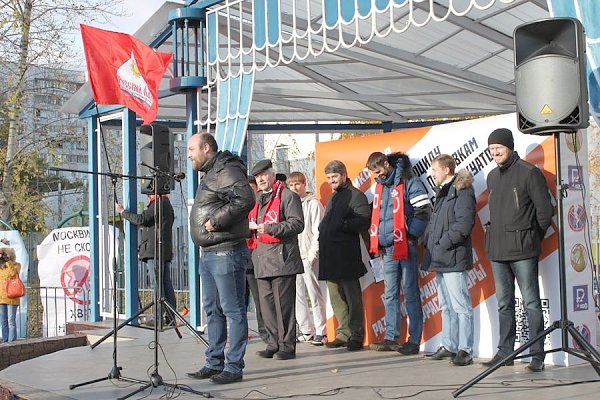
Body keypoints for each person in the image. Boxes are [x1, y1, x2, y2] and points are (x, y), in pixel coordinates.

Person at [185, 133, 255, 384]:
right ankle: (214, 362)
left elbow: (246, 199)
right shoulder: (212, 173)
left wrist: (216, 221)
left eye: (192, 148)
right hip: (210, 253)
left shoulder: (226, 169)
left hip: (226, 250)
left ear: (206, 148)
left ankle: (234, 366)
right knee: (213, 310)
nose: (189, 154)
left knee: (233, 309)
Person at [483, 128, 553, 373]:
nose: (494, 153)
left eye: (498, 148)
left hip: (523, 251)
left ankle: (537, 355)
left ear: (509, 146)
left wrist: (533, 238)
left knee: (531, 303)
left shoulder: (529, 172)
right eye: (491, 149)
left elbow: (545, 212)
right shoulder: (491, 176)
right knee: (504, 304)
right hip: (498, 252)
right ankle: (505, 353)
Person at [366, 152, 432, 355]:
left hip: (405, 245)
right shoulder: (379, 186)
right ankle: (391, 337)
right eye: (373, 173)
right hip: (386, 248)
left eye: (378, 171)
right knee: (391, 294)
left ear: (386, 164)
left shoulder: (409, 180)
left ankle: (413, 339)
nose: (376, 176)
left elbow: (424, 210)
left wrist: (410, 235)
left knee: (410, 291)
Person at [422, 155, 476, 366]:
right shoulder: (442, 192)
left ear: (446, 169)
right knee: (445, 305)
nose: (432, 173)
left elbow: (464, 223)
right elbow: (436, 223)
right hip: (440, 256)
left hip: (452, 255)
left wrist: (443, 243)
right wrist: (429, 241)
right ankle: (450, 345)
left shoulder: (461, 190)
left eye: (434, 169)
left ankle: (465, 349)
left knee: (461, 305)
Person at [250, 159, 304, 360]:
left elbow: (297, 224)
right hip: (261, 258)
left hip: (282, 259)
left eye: (264, 175)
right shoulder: (256, 200)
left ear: (273, 175)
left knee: (284, 307)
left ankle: (287, 346)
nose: (261, 179)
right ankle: (272, 343)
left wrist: (271, 228)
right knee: (266, 307)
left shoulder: (288, 196)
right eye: (258, 177)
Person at [319, 160, 370, 351]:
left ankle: (356, 335)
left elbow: (363, 220)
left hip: (347, 254)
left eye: (334, 177)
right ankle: (343, 333)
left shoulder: (356, 195)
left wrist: (344, 226)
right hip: (330, 255)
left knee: (352, 297)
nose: (331, 181)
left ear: (344, 175)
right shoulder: (334, 197)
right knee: (336, 298)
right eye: (329, 178)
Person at [115, 194, 176, 324]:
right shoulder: (166, 204)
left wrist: (122, 211)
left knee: (158, 285)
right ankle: (170, 317)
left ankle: (158, 318)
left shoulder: (158, 203)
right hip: (163, 250)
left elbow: (141, 219)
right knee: (165, 283)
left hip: (155, 251)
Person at [287, 171, 327, 346]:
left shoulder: (314, 204)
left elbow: (319, 231)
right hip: (294, 256)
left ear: (304, 184)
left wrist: (312, 255)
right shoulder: (289, 204)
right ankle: (306, 330)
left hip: (309, 255)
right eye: (291, 185)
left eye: (297, 184)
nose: (295, 188)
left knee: (315, 294)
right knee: (298, 295)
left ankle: (321, 330)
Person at [245, 175, 269, 344]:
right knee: (239, 301)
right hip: (241, 258)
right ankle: (241, 333)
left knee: (261, 299)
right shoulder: (241, 205)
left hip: (257, 257)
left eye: (250, 187)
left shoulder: (261, 205)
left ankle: (266, 332)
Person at [0, 247, 21, 342]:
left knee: (11, 321)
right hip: (1, 297)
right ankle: (5, 341)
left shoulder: (16, 265)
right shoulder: (1, 267)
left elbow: (13, 274)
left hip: (12, 297)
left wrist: (8, 262)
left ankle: (12, 342)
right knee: (3, 321)